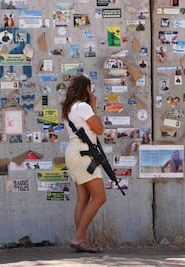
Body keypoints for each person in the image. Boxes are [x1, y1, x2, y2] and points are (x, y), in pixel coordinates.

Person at [61, 73, 106, 253]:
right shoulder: (84, 107)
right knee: (100, 197)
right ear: (86, 88)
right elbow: (99, 130)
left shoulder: (69, 108)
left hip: (73, 151)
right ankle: (79, 237)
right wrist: (94, 107)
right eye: (90, 86)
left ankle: (81, 238)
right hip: (84, 153)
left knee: (83, 198)